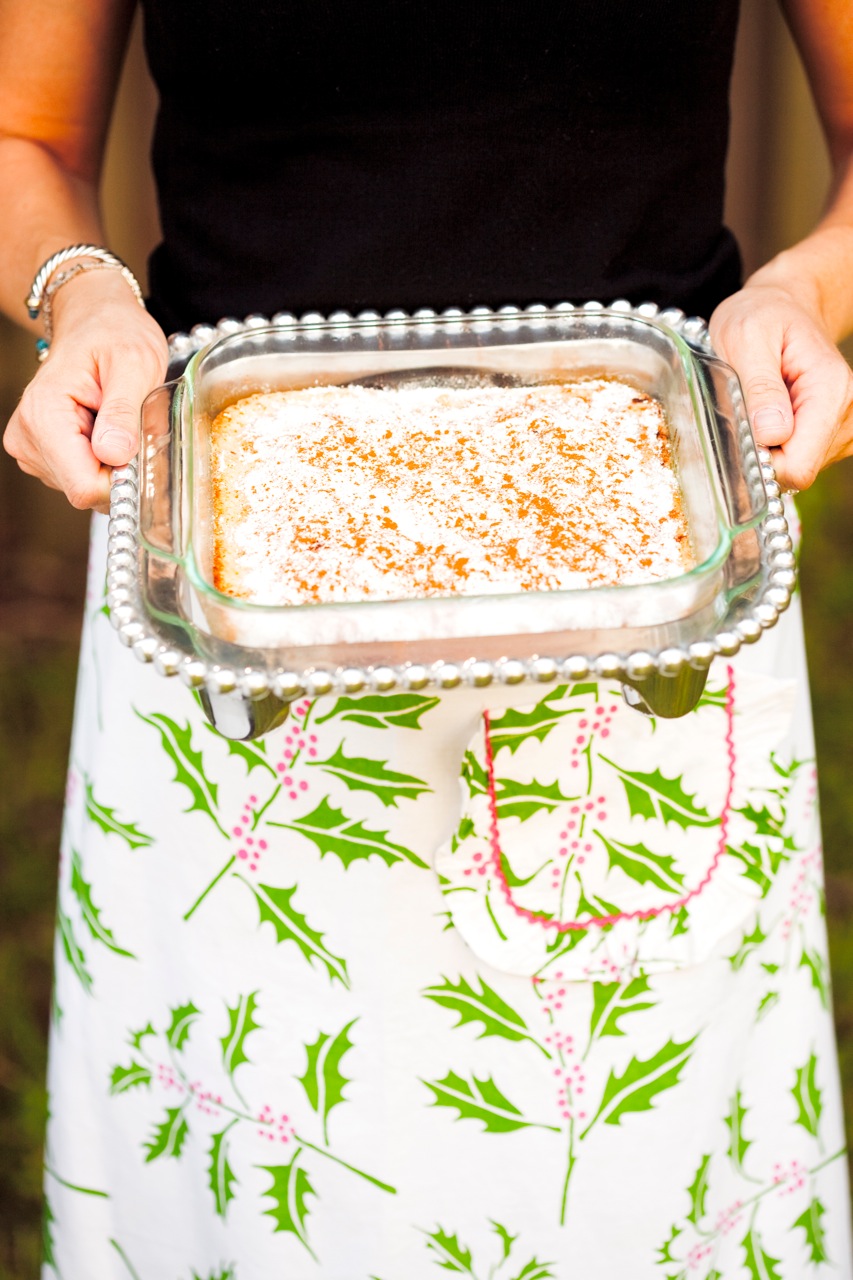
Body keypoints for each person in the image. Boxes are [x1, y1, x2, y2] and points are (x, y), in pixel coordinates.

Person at [2, 1, 853, 1275]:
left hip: (653, 601)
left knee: (631, 1208)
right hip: (234, 613)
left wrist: (797, 290)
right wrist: (83, 300)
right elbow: (24, 134)